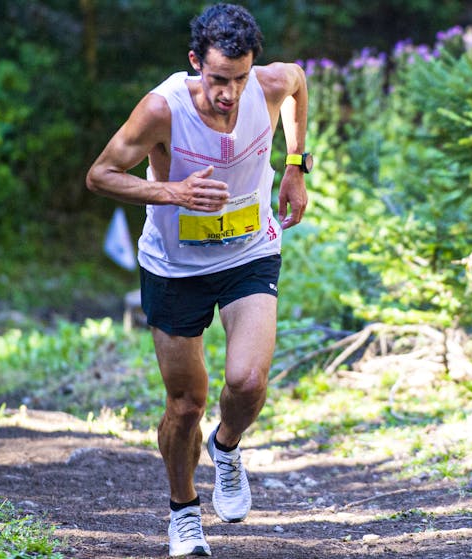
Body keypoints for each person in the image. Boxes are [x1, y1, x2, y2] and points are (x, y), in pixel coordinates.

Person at [86, 3, 309, 556]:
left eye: (239, 79)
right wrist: (172, 192)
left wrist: (296, 165)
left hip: (249, 252)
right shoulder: (162, 110)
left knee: (248, 380)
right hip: (175, 265)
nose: (230, 94)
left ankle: (227, 447)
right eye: (217, 80)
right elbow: (100, 176)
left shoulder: (270, 83)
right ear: (194, 63)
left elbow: (300, 84)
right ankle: (184, 512)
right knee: (185, 404)